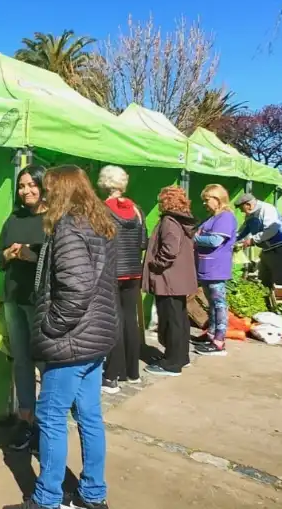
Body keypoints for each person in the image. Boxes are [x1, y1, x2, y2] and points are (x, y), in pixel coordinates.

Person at [12, 165, 117, 509]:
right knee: (89, 416)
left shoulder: (70, 226)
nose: (43, 193)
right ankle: (92, 493)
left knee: (51, 416)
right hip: (92, 339)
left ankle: (47, 499)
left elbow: (76, 288)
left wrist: (52, 327)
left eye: (48, 187)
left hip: (71, 340)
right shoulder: (97, 222)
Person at [0, 165, 47, 451]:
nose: (26, 190)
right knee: (22, 362)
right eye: (22, 185)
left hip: (42, 303)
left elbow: (59, 261)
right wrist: (6, 254)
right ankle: (27, 421)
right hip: (14, 298)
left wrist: (31, 256)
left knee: (45, 365)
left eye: (31, 185)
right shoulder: (13, 219)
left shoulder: (54, 219)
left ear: (43, 185)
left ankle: (47, 425)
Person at [98, 165, 146, 394]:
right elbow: (143, 242)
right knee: (131, 319)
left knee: (114, 321)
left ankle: (112, 375)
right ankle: (132, 372)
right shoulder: (137, 210)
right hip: (134, 270)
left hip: (112, 271)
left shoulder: (103, 209)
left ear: (104, 183)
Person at [142, 186, 197, 377]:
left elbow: (170, 248)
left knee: (172, 320)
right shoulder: (182, 220)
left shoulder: (169, 221)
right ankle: (181, 357)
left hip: (168, 279)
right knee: (179, 319)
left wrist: (156, 265)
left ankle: (172, 363)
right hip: (178, 279)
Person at [193, 184, 238, 357]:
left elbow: (214, 241)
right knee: (211, 303)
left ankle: (219, 341)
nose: (204, 204)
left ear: (217, 199)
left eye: (207, 200)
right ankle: (210, 334)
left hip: (216, 268)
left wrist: (193, 238)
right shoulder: (212, 218)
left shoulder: (225, 217)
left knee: (219, 304)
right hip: (206, 267)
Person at [233, 194, 282, 288]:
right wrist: (231, 240)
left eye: (241, 208)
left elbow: (271, 230)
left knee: (281, 282)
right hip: (266, 250)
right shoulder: (250, 215)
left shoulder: (267, 209)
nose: (241, 211)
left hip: (279, 248)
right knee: (264, 280)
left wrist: (252, 240)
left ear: (248, 205)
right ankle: (268, 300)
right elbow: (243, 231)